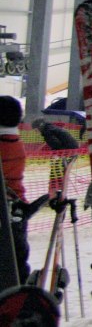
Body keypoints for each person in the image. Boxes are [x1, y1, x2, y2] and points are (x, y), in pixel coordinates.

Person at [0, 95, 32, 283]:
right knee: (17, 267)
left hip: (5, 212)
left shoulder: (4, 145)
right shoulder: (15, 142)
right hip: (16, 210)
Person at [32, 119, 79, 197]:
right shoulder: (51, 128)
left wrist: (57, 154)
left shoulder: (47, 132)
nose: (36, 132)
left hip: (68, 151)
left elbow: (55, 144)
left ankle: (56, 195)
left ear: (39, 127)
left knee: (58, 171)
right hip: (73, 150)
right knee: (63, 172)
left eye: (36, 130)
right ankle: (59, 194)